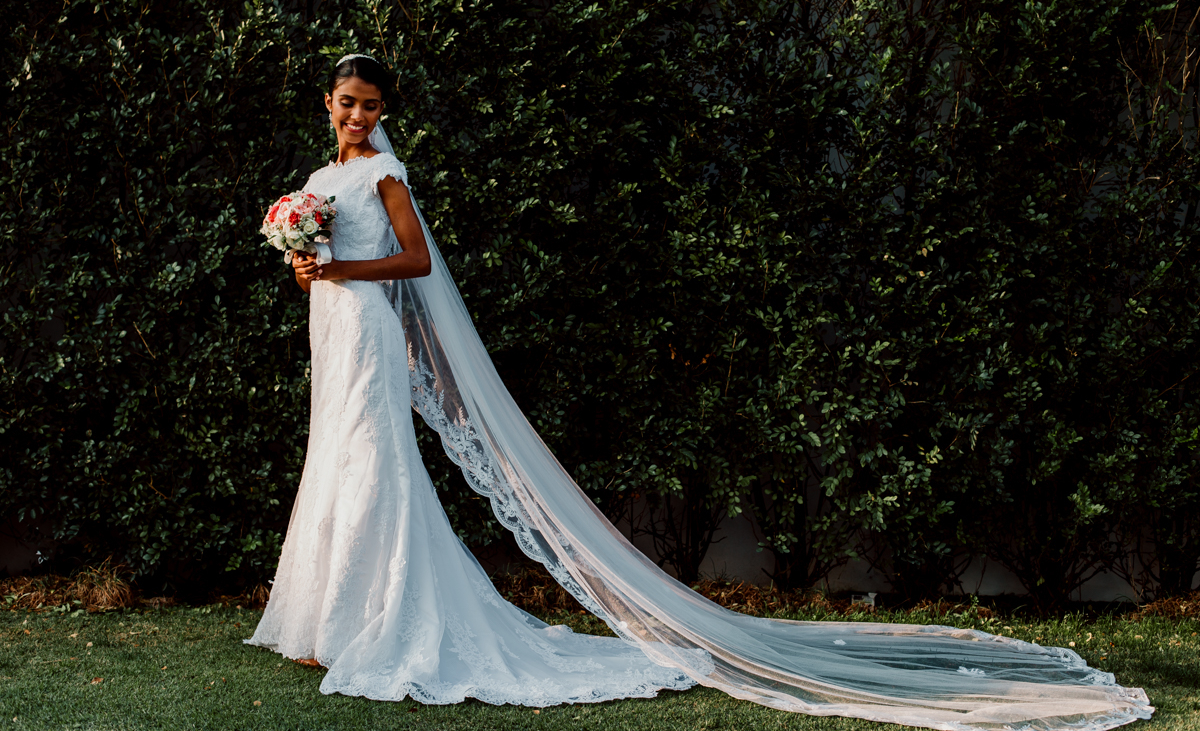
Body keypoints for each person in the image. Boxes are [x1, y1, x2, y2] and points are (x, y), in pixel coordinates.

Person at [248, 54, 1154, 729]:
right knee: (333, 456)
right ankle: (324, 620)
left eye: (371, 106)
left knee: (374, 461)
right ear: (326, 104)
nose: (358, 116)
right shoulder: (322, 181)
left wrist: (342, 272)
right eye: (348, 103)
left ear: (384, 112)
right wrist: (305, 265)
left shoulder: (383, 175)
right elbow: (324, 261)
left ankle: (379, 624)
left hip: (365, 324)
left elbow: (413, 260)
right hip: (332, 324)